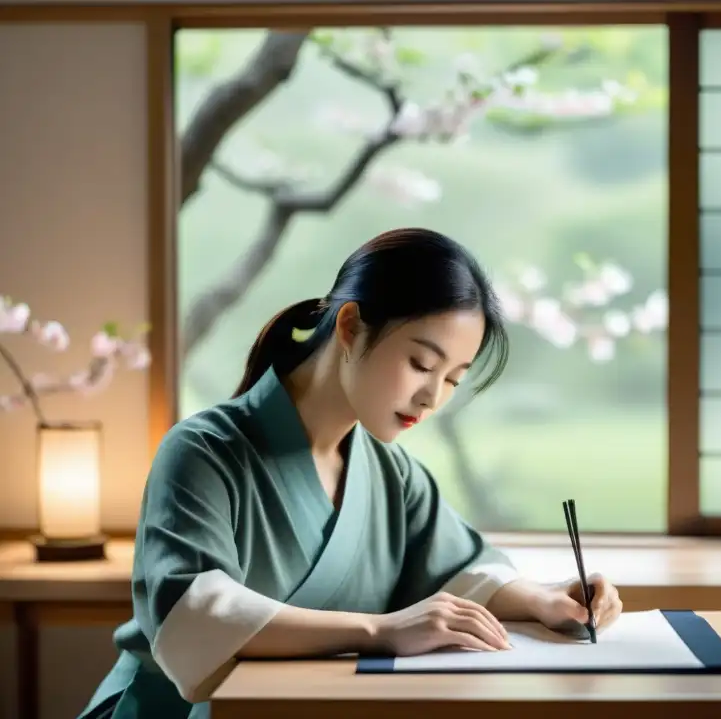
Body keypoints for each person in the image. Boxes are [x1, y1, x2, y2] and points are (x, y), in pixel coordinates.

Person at [78, 227, 623, 719]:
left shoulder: (393, 474)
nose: (432, 397)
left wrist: (547, 599)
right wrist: (381, 631)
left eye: (454, 379)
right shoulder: (203, 452)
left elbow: (462, 570)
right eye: (422, 364)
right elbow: (193, 615)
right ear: (350, 326)